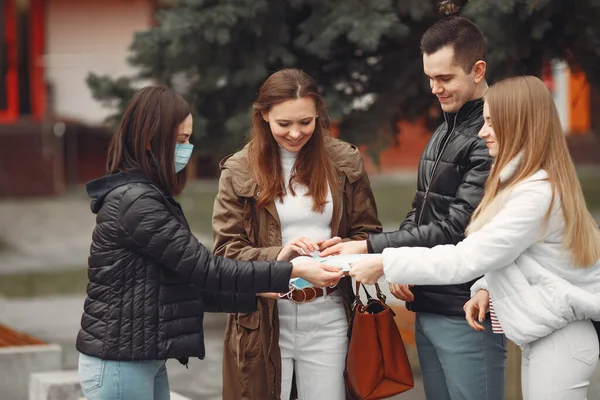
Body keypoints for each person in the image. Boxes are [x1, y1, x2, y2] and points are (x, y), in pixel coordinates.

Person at [75, 86, 343, 400]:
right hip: (120, 365)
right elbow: (205, 269)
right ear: (150, 140)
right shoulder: (136, 203)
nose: (186, 148)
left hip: (139, 359)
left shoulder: (145, 197)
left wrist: (257, 290)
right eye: (179, 141)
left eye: (188, 139)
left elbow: (185, 284)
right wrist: (287, 270)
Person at [349, 75, 600, 400]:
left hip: (560, 342)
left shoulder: (534, 196)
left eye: (492, 123)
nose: (482, 133)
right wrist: (486, 287)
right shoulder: (521, 186)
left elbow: (468, 257)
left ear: (520, 125)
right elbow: (514, 256)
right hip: (547, 337)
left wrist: (386, 263)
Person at [321, 16, 506, 400]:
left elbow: (459, 227)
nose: (435, 88)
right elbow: (421, 209)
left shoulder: (492, 137)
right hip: (429, 302)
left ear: (478, 70)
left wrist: (375, 249)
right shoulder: (444, 130)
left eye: (445, 78)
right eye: (430, 78)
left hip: (467, 310)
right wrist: (402, 257)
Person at [212, 68, 382, 400]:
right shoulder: (239, 169)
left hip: (329, 312)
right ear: (263, 117)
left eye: (305, 122)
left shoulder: (344, 160)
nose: (294, 133)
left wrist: (347, 246)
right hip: (264, 319)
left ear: (318, 114)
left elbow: (368, 232)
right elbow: (226, 252)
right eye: (283, 124)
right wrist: (281, 256)